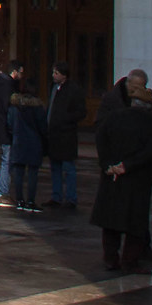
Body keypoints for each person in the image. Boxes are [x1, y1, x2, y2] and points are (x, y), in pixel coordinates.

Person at [91, 69, 152, 274]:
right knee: (135, 223)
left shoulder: (112, 118)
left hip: (112, 177)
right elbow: (151, 151)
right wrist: (127, 166)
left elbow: (100, 139)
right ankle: (130, 260)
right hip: (136, 179)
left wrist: (108, 165)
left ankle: (110, 259)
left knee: (111, 222)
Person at [44, 61, 86, 209]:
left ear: (64, 75)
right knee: (55, 166)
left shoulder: (74, 90)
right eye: (53, 72)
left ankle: (71, 198)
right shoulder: (54, 88)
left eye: (56, 73)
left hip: (66, 135)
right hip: (53, 134)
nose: (53, 75)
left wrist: (65, 119)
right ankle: (56, 196)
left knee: (68, 168)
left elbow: (81, 112)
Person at [7, 78, 48, 214]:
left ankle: (19, 200)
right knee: (32, 173)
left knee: (18, 173)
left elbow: (10, 124)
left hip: (18, 142)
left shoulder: (14, 106)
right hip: (34, 142)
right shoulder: (38, 108)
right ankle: (30, 201)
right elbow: (43, 127)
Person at [0, 58, 24, 207]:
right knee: (7, 161)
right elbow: (8, 109)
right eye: (21, 72)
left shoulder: (2, 84)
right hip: (6, 129)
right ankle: (3, 193)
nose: (22, 75)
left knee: (6, 160)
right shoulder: (8, 87)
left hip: (0, 127)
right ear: (14, 72)